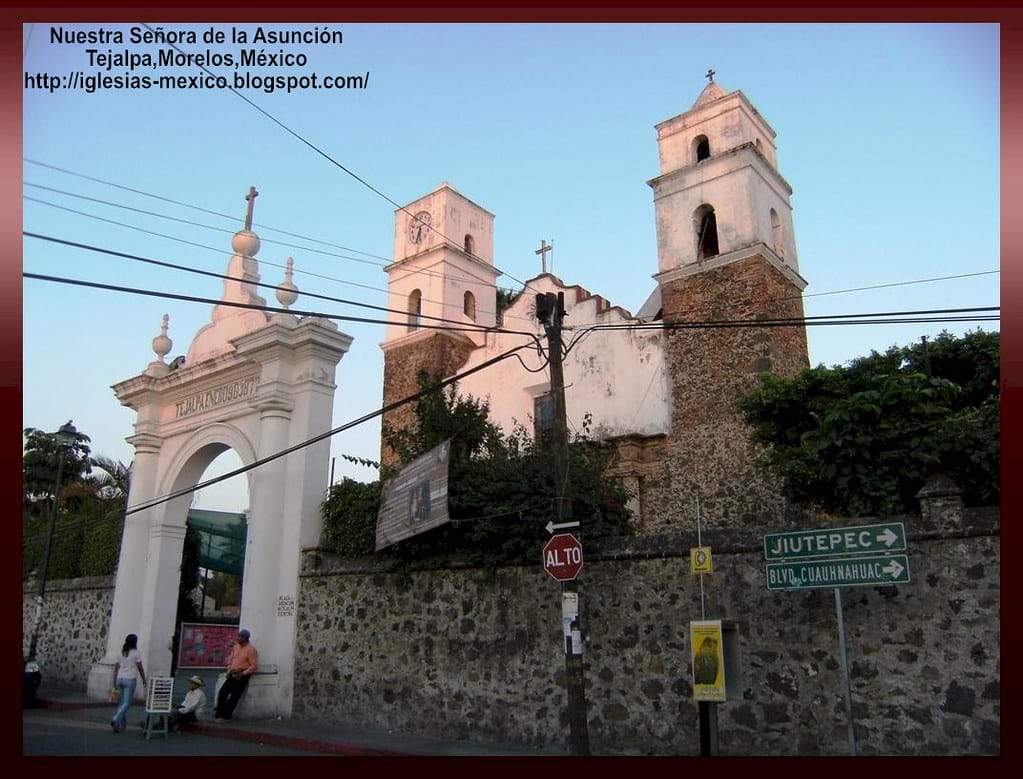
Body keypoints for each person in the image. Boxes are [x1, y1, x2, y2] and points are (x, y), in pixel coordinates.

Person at [214, 629, 257, 720]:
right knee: (222, 693)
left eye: (240, 637)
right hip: (232, 672)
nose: (238, 638)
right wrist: (229, 670)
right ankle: (219, 712)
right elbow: (232, 659)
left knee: (235, 696)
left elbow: (253, 666)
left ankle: (226, 715)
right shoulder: (236, 646)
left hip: (242, 674)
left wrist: (243, 673)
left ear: (245, 638)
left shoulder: (251, 649)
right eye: (238, 636)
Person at [111, 633, 146, 733]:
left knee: (121, 703)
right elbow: (140, 667)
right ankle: (116, 719)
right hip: (130, 679)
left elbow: (116, 667)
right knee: (127, 703)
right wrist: (144, 679)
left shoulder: (122, 652)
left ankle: (120, 726)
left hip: (120, 678)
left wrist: (114, 681)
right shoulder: (136, 653)